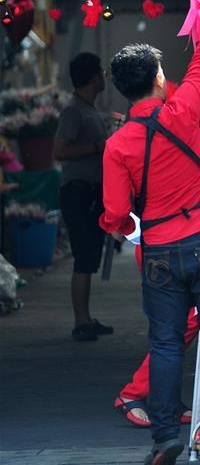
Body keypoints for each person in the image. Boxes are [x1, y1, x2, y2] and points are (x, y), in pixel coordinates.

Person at [100, 0, 200, 465]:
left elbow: (118, 213)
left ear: (123, 90)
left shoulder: (117, 144)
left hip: (160, 249)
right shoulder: (182, 109)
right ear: (159, 80)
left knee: (164, 343)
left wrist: (124, 227)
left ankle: (165, 436)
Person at [55, 53, 113, 341]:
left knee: (89, 257)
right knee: (83, 257)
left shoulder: (89, 109)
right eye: (101, 72)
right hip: (77, 192)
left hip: (90, 192)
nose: (105, 77)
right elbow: (60, 151)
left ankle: (86, 317)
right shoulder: (73, 112)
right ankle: (80, 321)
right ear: (93, 77)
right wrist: (97, 148)